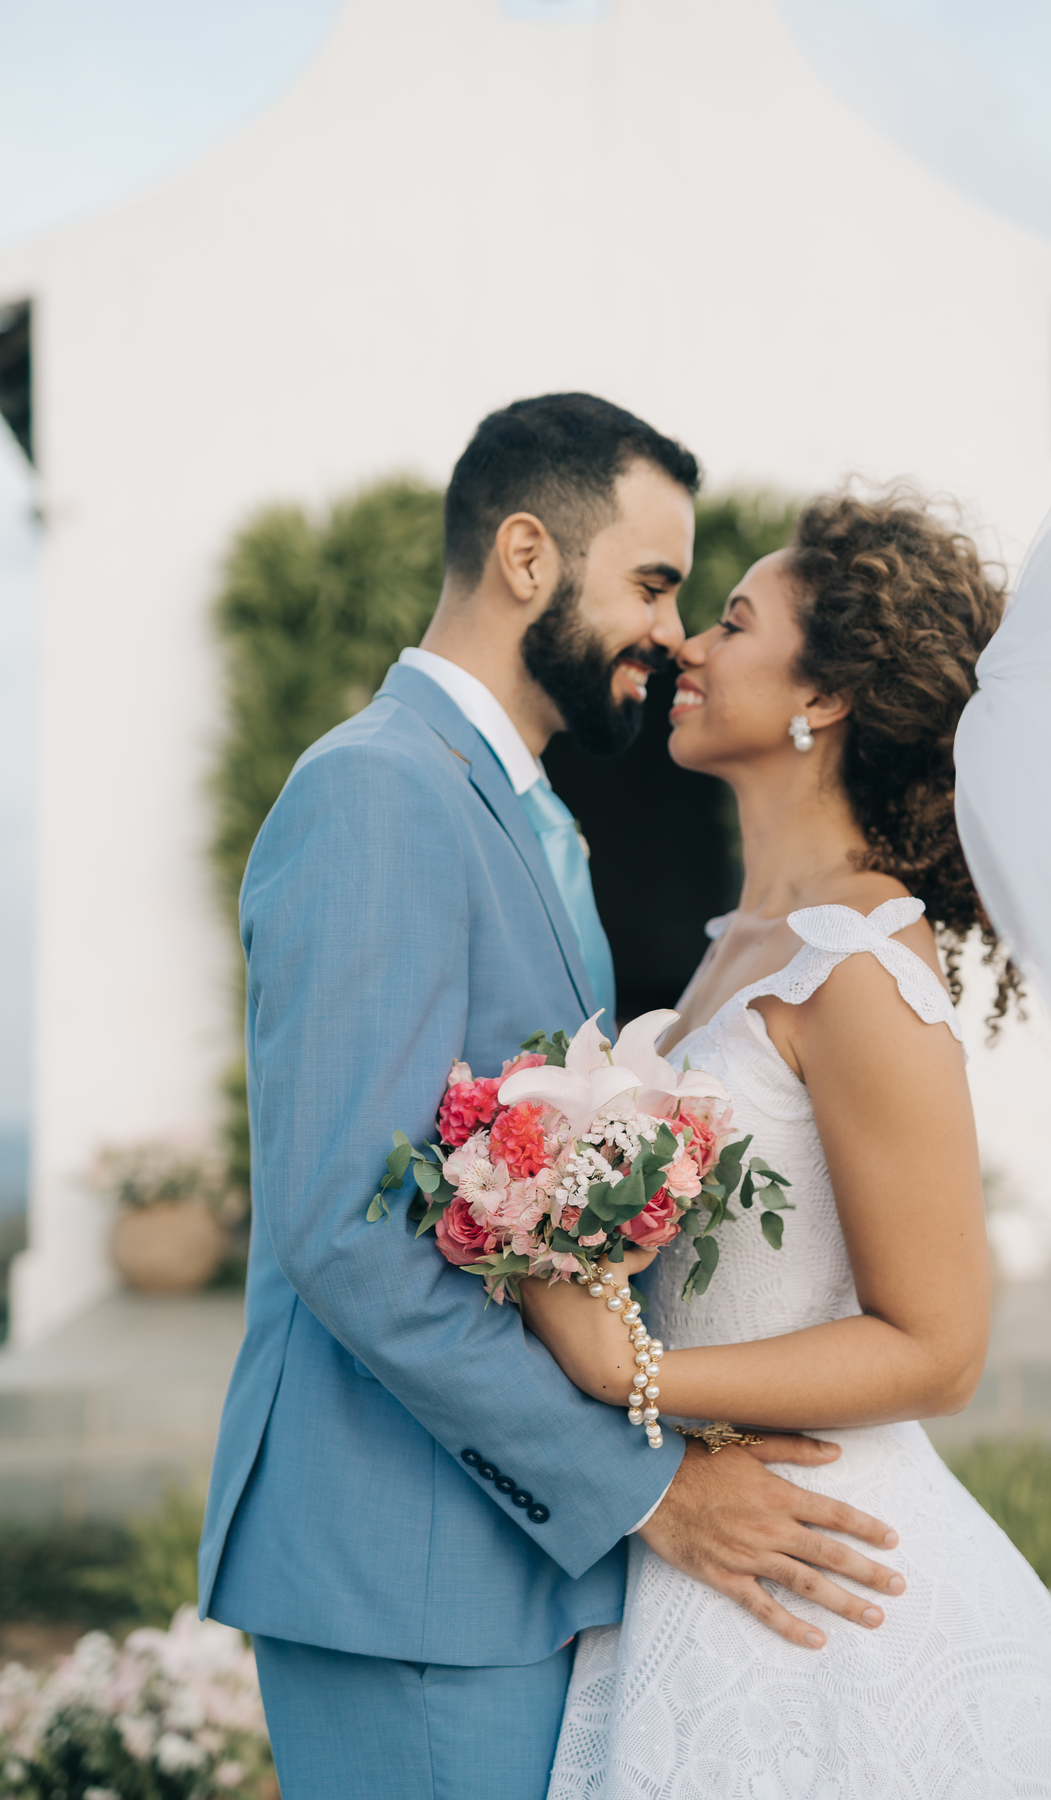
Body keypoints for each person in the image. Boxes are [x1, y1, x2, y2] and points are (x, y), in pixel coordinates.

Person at [198, 395, 902, 1800]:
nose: (672, 628)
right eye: (651, 582)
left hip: (493, 1565)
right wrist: (644, 1490)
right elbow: (348, 1228)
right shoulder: (379, 794)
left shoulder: (528, 812)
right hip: (406, 1573)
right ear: (528, 555)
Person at [525, 492, 1051, 1797]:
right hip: (709, 1545)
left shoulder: (861, 962)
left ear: (829, 700)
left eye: (736, 622)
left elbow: (940, 1345)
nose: (691, 644)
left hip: (829, 1575)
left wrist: (624, 1369)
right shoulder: (737, 947)